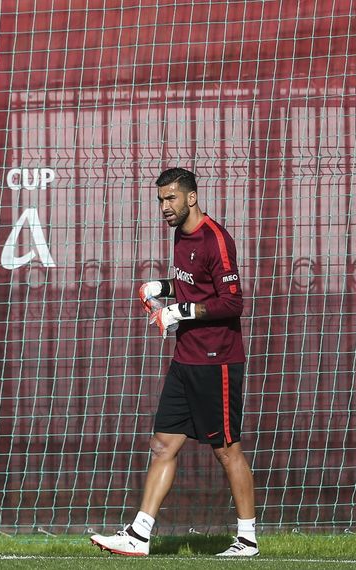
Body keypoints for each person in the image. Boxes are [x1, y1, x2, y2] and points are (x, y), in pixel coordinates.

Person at [90, 168, 258, 557]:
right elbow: (192, 284)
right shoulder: (180, 234)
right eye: (161, 200)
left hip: (217, 361)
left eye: (171, 199)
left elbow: (232, 302)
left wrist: (178, 310)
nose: (164, 207)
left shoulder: (217, 239)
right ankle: (139, 535)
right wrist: (161, 288)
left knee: (227, 449)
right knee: (163, 445)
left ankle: (247, 540)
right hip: (185, 358)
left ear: (191, 198)